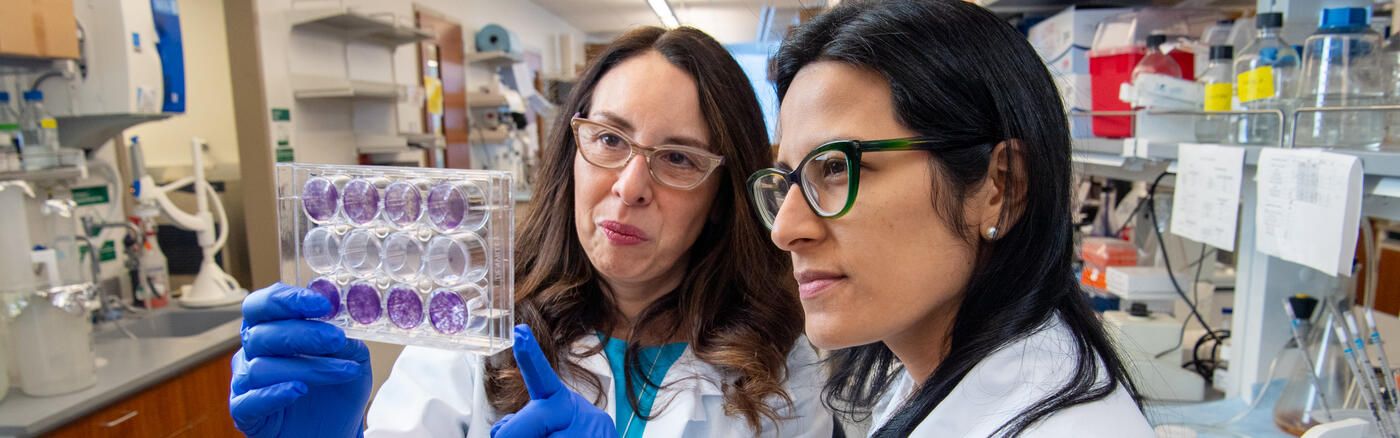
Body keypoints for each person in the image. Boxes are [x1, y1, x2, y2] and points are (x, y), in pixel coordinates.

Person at [230, 26, 833, 437]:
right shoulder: (468, 321)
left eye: (678, 158)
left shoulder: (783, 364)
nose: (629, 186)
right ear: (572, 149)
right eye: (609, 139)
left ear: (722, 196)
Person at [746, 0, 1154, 436]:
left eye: (835, 168)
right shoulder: (925, 378)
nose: (786, 230)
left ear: (1002, 186)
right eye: (786, 181)